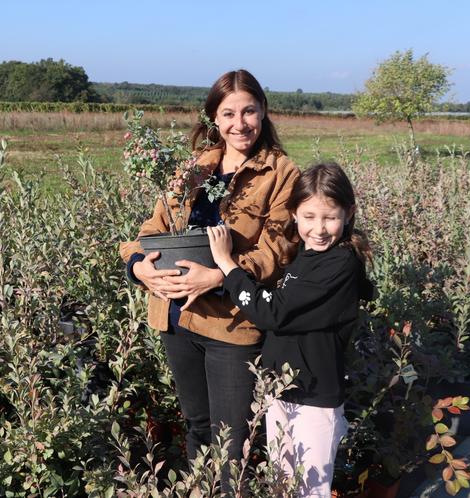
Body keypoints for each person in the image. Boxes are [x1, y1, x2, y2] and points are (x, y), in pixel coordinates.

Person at [119, 69, 300, 477]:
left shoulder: (281, 173)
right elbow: (151, 230)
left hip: (231, 325)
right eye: (229, 113)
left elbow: (278, 249)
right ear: (213, 120)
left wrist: (219, 276)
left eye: (249, 111)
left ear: (264, 111)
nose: (240, 124)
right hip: (176, 316)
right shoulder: (195, 168)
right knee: (198, 426)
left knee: (230, 439)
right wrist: (140, 268)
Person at [207, 162, 375, 497]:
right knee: (284, 484)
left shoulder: (340, 264)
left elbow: (273, 313)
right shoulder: (305, 255)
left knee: (308, 490)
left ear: (349, 213)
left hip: (313, 399)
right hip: (282, 390)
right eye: (309, 216)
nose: (320, 228)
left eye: (330, 217)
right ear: (295, 214)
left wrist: (228, 266)